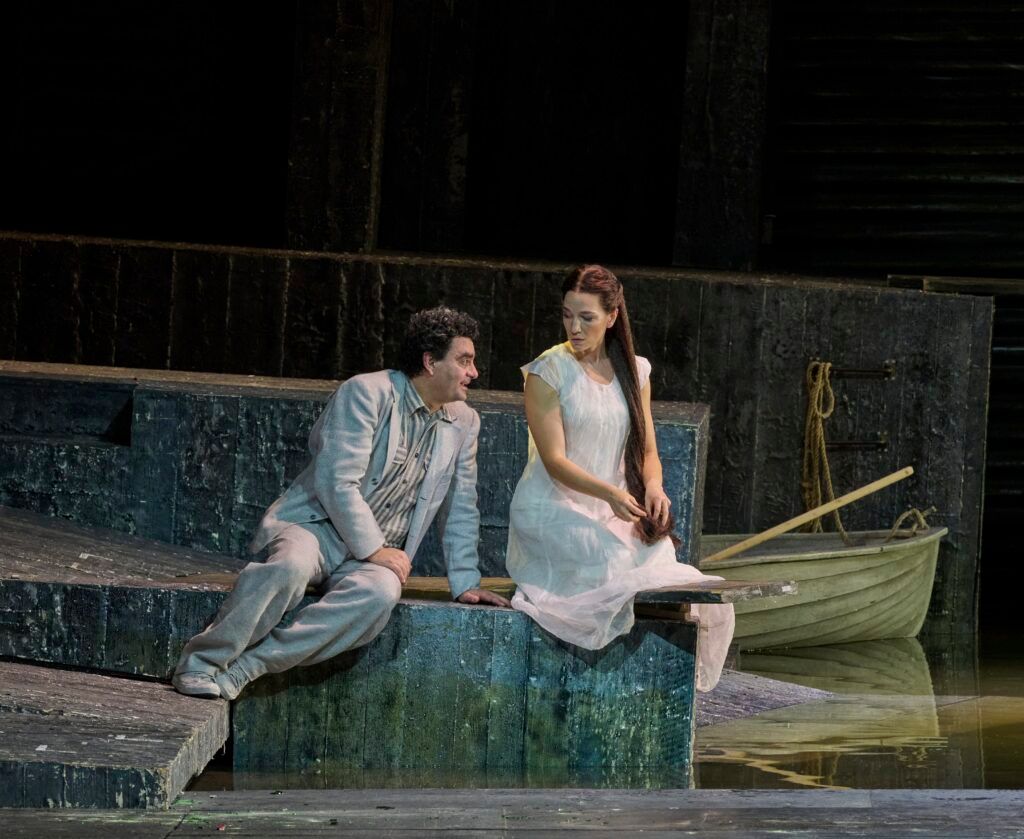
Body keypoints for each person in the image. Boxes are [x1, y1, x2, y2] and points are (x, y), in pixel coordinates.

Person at [172, 306, 510, 700]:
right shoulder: (366, 392)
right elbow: (337, 482)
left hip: (373, 557)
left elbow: (461, 506)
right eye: (464, 360)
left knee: (380, 595)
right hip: (317, 528)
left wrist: (465, 582)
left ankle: (250, 666)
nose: (474, 372)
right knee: (290, 566)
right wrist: (376, 548)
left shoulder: (465, 422)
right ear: (430, 362)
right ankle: (201, 663)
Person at [506, 265, 734, 691]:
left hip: (612, 508)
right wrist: (609, 492)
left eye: (586, 317)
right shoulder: (547, 372)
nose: (574, 328)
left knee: (663, 562)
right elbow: (554, 460)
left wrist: (653, 485)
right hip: (553, 507)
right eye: (567, 315)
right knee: (612, 560)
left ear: (611, 316)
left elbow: (647, 450)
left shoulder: (635, 371)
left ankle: (670, 676)